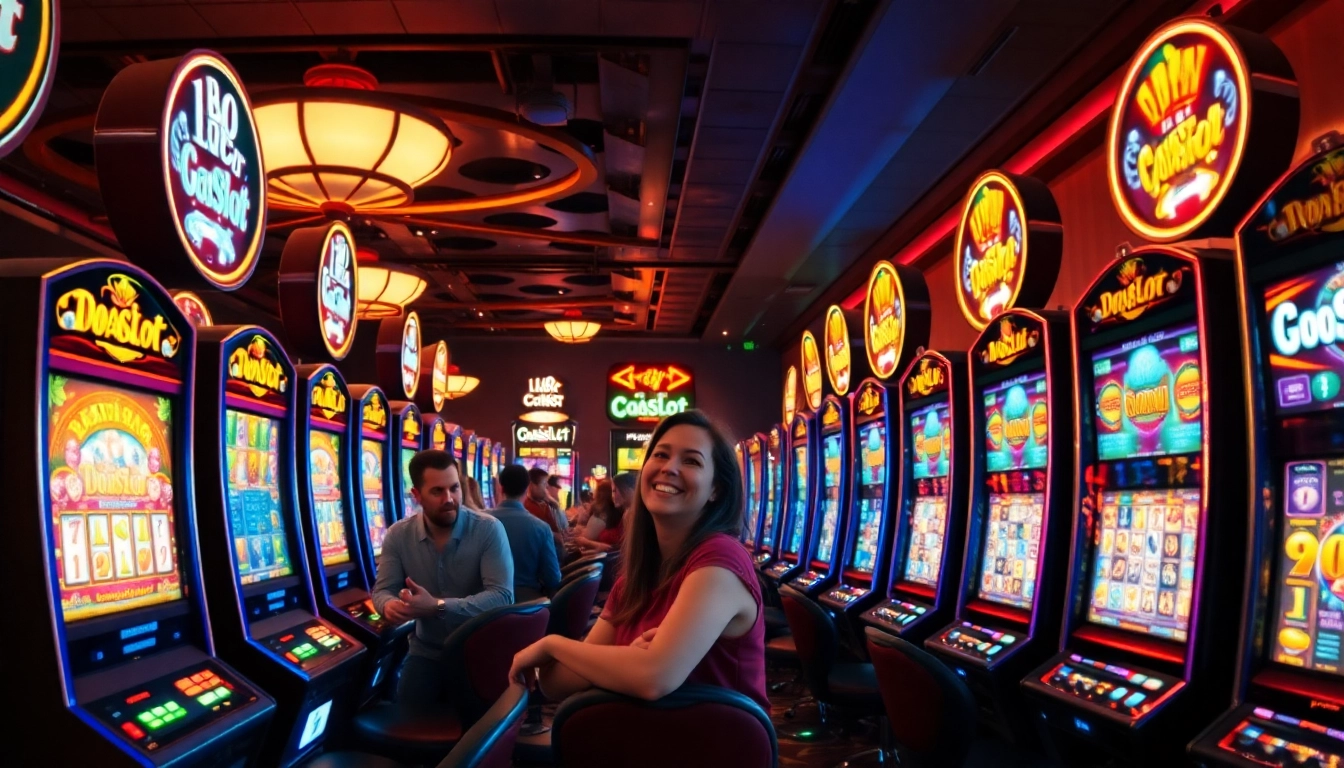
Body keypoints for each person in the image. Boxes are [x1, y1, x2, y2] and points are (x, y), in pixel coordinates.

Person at [508, 410, 767, 709]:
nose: (669, 468)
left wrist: (552, 645)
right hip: (647, 743)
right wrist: (625, 660)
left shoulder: (721, 557)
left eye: (691, 460)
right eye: (660, 455)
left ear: (716, 489)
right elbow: (557, 683)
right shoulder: (637, 577)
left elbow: (653, 677)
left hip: (716, 747)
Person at [373, 450, 514, 711]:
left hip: (481, 651)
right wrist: (389, 606)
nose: (449, 499)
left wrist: (437, 606)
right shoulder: (398, 535)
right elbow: (382, 590)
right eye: (437, 491)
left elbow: (502, 597)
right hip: (426, 651)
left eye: (454, 488)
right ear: (417, 495)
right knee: (406, 729)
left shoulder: (488, 529)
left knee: (477, 738)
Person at [489, 464, 562, 602]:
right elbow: (553, 578)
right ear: (527, 488)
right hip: (529, 607)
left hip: (487, 610)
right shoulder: (542, 528)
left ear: (501, 488)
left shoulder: (480, 522)